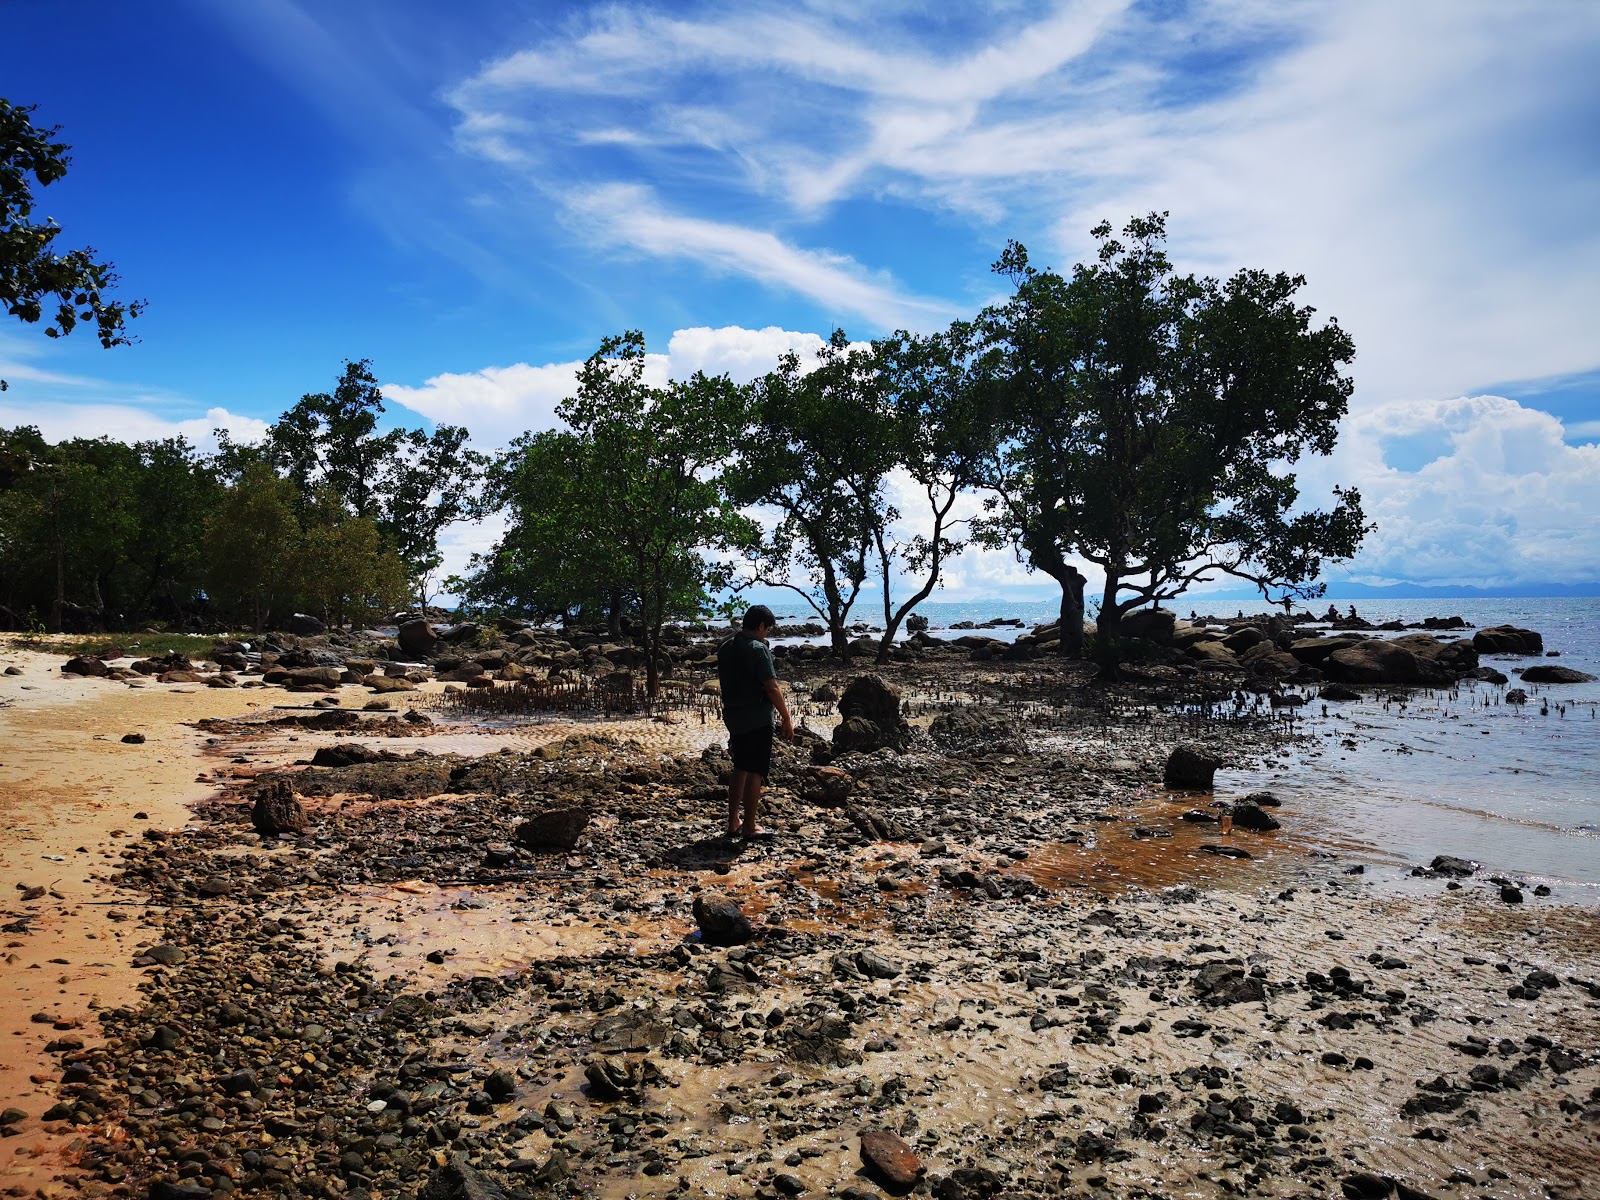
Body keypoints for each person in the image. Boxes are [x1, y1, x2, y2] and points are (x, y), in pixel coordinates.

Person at [716, 605, 794, 839]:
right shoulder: (758, 650)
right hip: (757, 718)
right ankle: (750, 825)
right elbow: (771, 687)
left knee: (740, 767)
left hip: (734, 715)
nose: (767, 634)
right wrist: (786, 718)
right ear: (761, 626)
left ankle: (733, 822)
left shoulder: (726, 647)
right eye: (768, 630)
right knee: (756, 771)